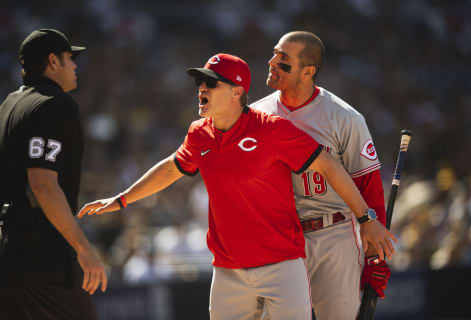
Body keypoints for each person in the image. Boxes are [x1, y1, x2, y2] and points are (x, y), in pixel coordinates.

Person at [78, 53, 396, 320]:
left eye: (210, 82)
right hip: (229, 272)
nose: (201, 88)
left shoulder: (271, 129)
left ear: (236, 91)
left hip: (283, 267)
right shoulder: (199, 133)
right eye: (199, 82)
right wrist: (121, 200)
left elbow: (329, 165)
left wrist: (367, 219)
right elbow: (172, 168)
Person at [250, 31, 391, 319]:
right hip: (279, 239)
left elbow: (369, 186)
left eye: (284, 59)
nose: (272, 62)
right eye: (275, 53)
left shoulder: (344, 117)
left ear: (308, 71)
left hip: (332, 234)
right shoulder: (255, 115)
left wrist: (375, 255)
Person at [0, 29, 107, 320]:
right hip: (42, 259)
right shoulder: (54, 104)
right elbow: (43, 185)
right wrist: (82, 248)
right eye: (70, 58)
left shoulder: (8, 105)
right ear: (53, 61)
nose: (75, 66)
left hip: (7, 252)